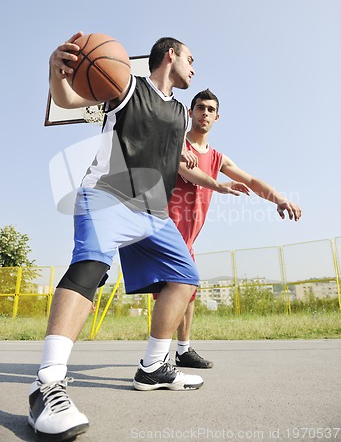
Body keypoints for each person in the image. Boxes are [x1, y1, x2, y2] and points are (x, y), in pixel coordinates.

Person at [29, 33, 249, 442]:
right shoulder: (124, 84)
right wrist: (55, 70)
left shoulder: (182, 113)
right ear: (171, 55)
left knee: (185, 278)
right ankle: (47, 384)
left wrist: (216, 184)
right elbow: (66, 101)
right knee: (92, 267)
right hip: (109, 196)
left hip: (153, 211)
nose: (194, 68)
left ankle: (153, 368)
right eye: (191, 59)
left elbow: (183, 164)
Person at [141, 88, 302, 370]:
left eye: (210, 109)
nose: (205, 113)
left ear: (217, 117)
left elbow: (250, 179)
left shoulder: (217, 157)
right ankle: (156, 359)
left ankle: (182, 350)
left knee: (187, 290)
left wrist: (279, 198)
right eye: (200, 107)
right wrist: (218, 185)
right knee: (176, 288)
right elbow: (184, 170)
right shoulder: (177, 143)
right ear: (190, 113)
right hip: (165, 227)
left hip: (188, 235)